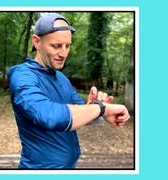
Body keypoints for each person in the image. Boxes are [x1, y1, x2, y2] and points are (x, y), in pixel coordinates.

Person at [7, 13, 130, 169]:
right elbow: (45, 114)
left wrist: (95, 107)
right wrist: (100, 108)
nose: (64, 53)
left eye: (67, 45)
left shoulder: (62, 78)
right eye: (56, 46)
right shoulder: (23, 75)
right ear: (37, 42)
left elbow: (82, 114)